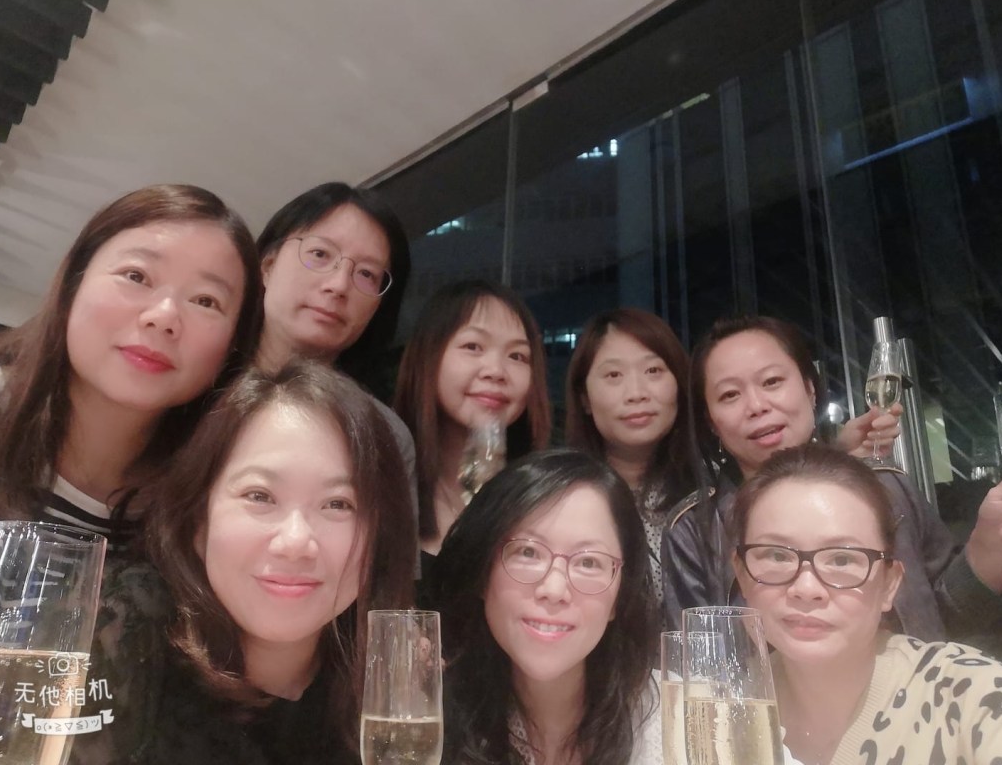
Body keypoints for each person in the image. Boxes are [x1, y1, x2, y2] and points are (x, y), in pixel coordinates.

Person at [74, 361, 416, 764]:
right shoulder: (122, 632)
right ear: (199, 518)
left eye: (338, 504)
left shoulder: (393, 691)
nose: (295, 542)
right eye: (260, 496)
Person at [663, 314, 1002, 650]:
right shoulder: (694, 529)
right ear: (712, 422)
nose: (756, 405)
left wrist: (990, 545)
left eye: (772, 382)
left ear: (810, 390)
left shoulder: (885, 487)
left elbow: (948, 623)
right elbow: (700, 665)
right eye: (729, 395)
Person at [0, 184, 262, 552]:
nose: (164, 317)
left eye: (205, 300)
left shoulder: (212, 511)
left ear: (233, 346)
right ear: (73, 284)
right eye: (136, 276)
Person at [731, 443, 1002, 764]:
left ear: (889, 584)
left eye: (841, 559)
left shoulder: (971, 698)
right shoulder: (725, 709)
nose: (806, 589)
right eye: (777, 556)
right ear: (742, 575)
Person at [433, 449, 660, 765]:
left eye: (588, 562)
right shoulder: (424, 721)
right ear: (482, 574)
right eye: (527, 552)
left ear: (621, 596)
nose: (553, 590)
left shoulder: (674, 723)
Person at [252, 182, 418, 544]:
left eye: (367, 274)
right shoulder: (191, 383)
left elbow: (391, 573)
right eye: (320, 254)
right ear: (268, 265)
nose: (339, 285)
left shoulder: (382, 435)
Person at [394, 279, 551, 561]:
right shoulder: (385, 487)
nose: (496, 371)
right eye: (473, 346)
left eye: (517, 355)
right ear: (427, 357)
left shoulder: (546, 500)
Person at [565, 308, 692, 606]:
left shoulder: (714, 494)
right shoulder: (558, 498)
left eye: (653, 371)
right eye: (613, 375)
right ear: (584, 398)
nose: (636, 393)